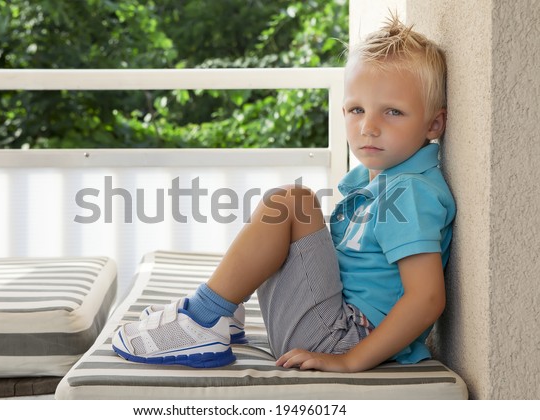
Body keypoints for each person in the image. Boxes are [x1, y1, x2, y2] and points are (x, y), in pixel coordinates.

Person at [111, 15, 456, 373]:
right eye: (357, 110)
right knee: (292, 208)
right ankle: (214, 312)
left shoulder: (410, 192)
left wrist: (350, 360)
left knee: (293, 201)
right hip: (332, 322)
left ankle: (203, 318)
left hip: (347, 337)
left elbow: (426, 298)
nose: (369, 127)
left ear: (433, 124)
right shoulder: (377, 182)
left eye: (393, 112)